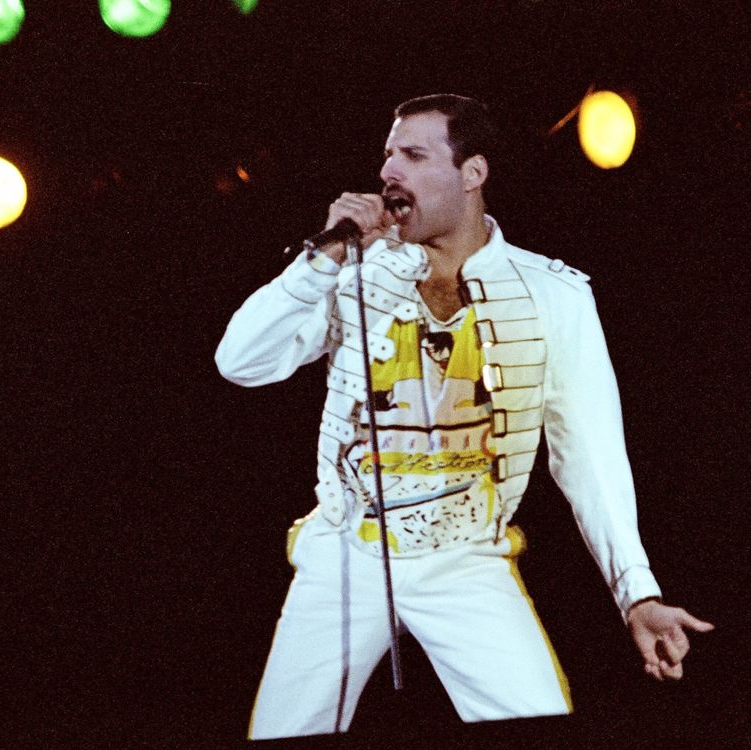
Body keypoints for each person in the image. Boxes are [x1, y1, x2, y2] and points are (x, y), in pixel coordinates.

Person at [216, 94, 713, 740]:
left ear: (472, 172)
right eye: (388, 155)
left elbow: (589, 456)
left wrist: (636, 593)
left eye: (414, 155)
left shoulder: (552, 294)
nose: (390, 170)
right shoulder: (347, 275)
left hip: (465, 556)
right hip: (348, 551)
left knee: (538, 716)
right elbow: (240, 360)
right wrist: (321, 260)